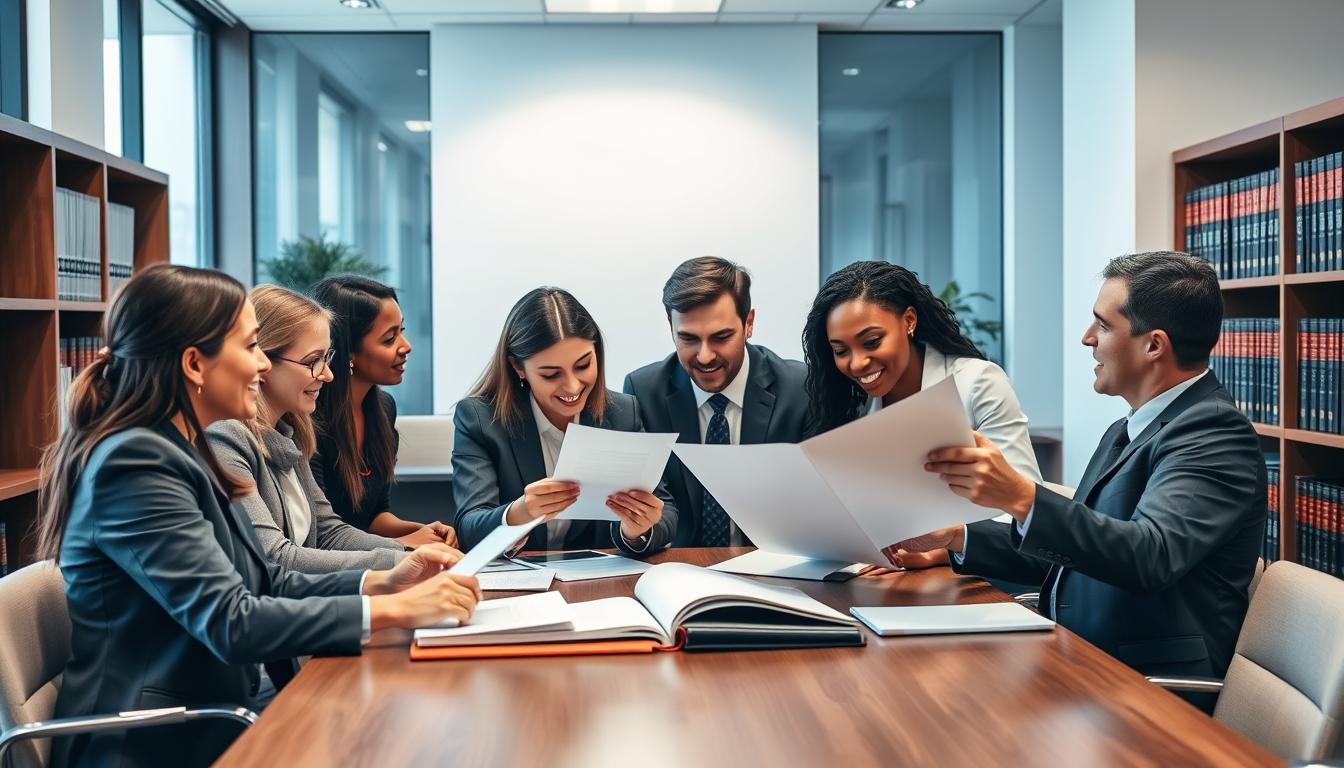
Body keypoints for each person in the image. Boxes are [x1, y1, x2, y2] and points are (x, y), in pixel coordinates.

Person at [36, 265, 480, 767]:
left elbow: (264, 578)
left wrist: (385, 582)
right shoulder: (135, 463)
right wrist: (393, 611)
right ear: (194, 364)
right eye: (250, 347)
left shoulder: (178, 448)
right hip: (153, 742)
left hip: (213, 712)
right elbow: (230, 620)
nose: (261, 367)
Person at [897, 251, 1265, 711]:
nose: (1086, 339)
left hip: (1148, 693)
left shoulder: (1213, 433)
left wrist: (1021, 495)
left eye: (1103, 325)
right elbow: (1075, 555)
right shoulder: (1131, 429)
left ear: (1154, 345)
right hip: (1081, 667)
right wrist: (955, 538)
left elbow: (1149, 556)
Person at [801, 260, 1041, 568]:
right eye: (841, 350)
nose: (857, 363)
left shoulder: (978, 382)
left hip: (981, 584)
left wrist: (944, 550)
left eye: (872, 342)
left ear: (909, 321)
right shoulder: (852, 404)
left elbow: (1026, 514)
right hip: (880, 576)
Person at [454, 287, 678, 553]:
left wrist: (636, 529)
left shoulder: (622, 412)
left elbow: (665, 510)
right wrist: (520, 512)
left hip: (599, 581)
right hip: (517, 583)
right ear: (518, 368)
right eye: (551, 374)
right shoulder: (481, 419)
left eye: (583, 365)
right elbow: (469, 528)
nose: (572, 387)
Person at [208, 285, 409, 573]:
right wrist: (399, 561)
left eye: (326, 359)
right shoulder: (226, 437)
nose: (327, 375)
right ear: (263, 362)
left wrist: (411, 553)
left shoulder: (293, 430)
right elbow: (276, 557)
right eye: (312, 362)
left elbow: (329, 533)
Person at [623, 257, 808, 546]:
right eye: (688, 338)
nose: (705, 356)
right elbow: (656, 506)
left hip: (778, 570)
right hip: (681, 571)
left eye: (721, 337)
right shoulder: (643, 393)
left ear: (749, 323)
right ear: (670, 328)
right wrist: (640, 530)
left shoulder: (800, 389)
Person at [311, 275, 455, 545]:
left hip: (368, 556)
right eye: (389, 339)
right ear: (347, 352)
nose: (406, 346)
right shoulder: (310, 421)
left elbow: (374, 517)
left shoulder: (383, 409)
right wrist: (405, 544)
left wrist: (423, 531)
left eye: (402, 330)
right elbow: (323, 533)